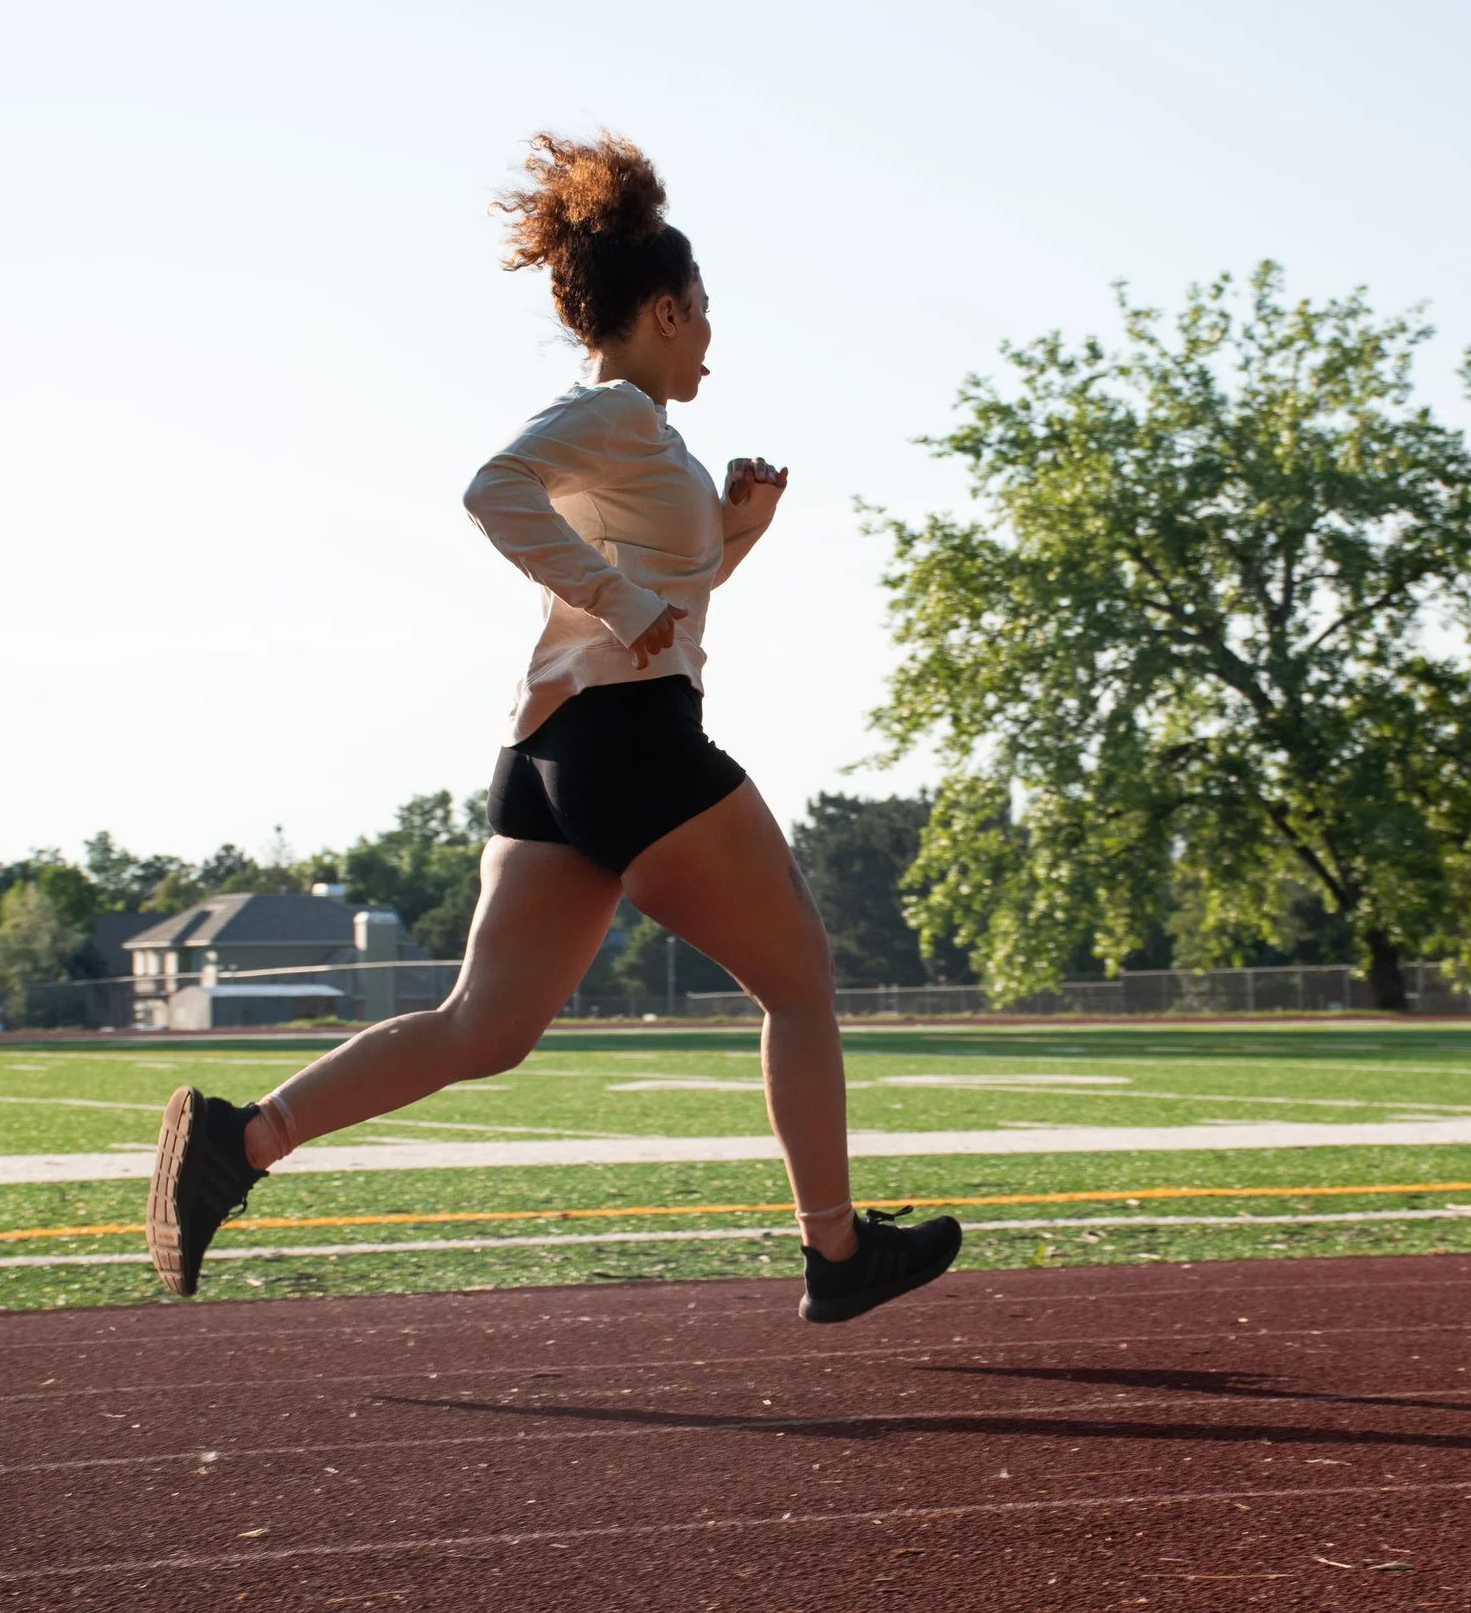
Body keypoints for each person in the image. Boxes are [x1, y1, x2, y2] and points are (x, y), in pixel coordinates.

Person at [146, 132, 961, 1324]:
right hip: (633, 742)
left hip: (553, 755)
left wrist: (734, 534)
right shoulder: (617, 414)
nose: (715, 340)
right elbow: (493, 490)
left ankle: (241, 1140)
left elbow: (660, 607)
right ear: (671, 308)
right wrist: (627, 594)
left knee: (484, 1026)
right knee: (800, 983)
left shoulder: (644, 439)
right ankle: (836, 1249)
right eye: (707, 313)